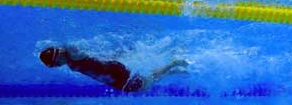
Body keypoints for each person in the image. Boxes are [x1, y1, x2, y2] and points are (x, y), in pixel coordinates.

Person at [39, 45, 188, 93]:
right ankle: (171, 69)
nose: (55, 66)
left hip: (113, 73)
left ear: (57, 56)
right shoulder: (71, 62)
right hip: (111, 74)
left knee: (142, 85)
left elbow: (72, 47)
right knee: (144, 83)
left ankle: (173, 64)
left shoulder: (73, 56)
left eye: (54, 63)